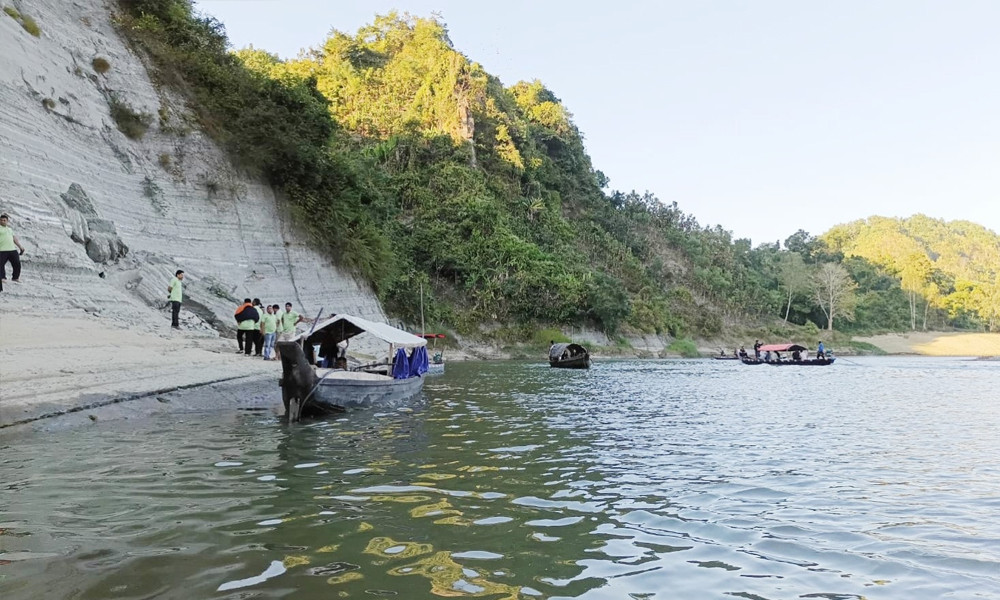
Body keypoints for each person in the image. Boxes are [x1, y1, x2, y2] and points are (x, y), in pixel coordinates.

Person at [0, 212, 26, 285]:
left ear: (7, 221)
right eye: (1, 220)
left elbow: (14, 239)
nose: (2, 221)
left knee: (17, 264)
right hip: (2, 250)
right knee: (1, 265)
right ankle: (2, 278)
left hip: (12, 249)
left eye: (4, 220)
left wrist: (20, 246)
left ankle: (15, 277)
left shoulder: (10, 229)